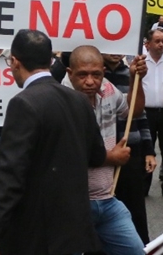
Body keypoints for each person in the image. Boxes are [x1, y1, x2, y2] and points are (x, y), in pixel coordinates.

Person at [0, 30, 108, 255]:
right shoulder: (79, 100)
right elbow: (97, 154)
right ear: (50, 61)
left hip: (37, 235)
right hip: (76, 230)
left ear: (15, 62)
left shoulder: (23, 104)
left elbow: (10, 177)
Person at [61, 45, 146, 255]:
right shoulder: (60, 100)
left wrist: (136, 80)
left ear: (103, 73)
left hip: (107, 201)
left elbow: (133, 110)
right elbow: (67, 155)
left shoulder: (107, 88)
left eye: (96, 75)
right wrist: (111, 157)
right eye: (82, 75)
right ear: (70, 73)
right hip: (71, 206)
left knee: (134, 251)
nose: (90, 81)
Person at [103, 52, 156, 243]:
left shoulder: (131, 73)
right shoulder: (92, 74)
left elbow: (139, 114)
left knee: (134, 210)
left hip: (130, 151)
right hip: (103, 154)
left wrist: (149, 150)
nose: (115, 52)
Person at [142, 29, 163, 195]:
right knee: (146, 150)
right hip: (146, 113)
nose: (161, 44)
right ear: (147, 44)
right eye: (157, 41)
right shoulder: (141, 63)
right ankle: (143, 188)